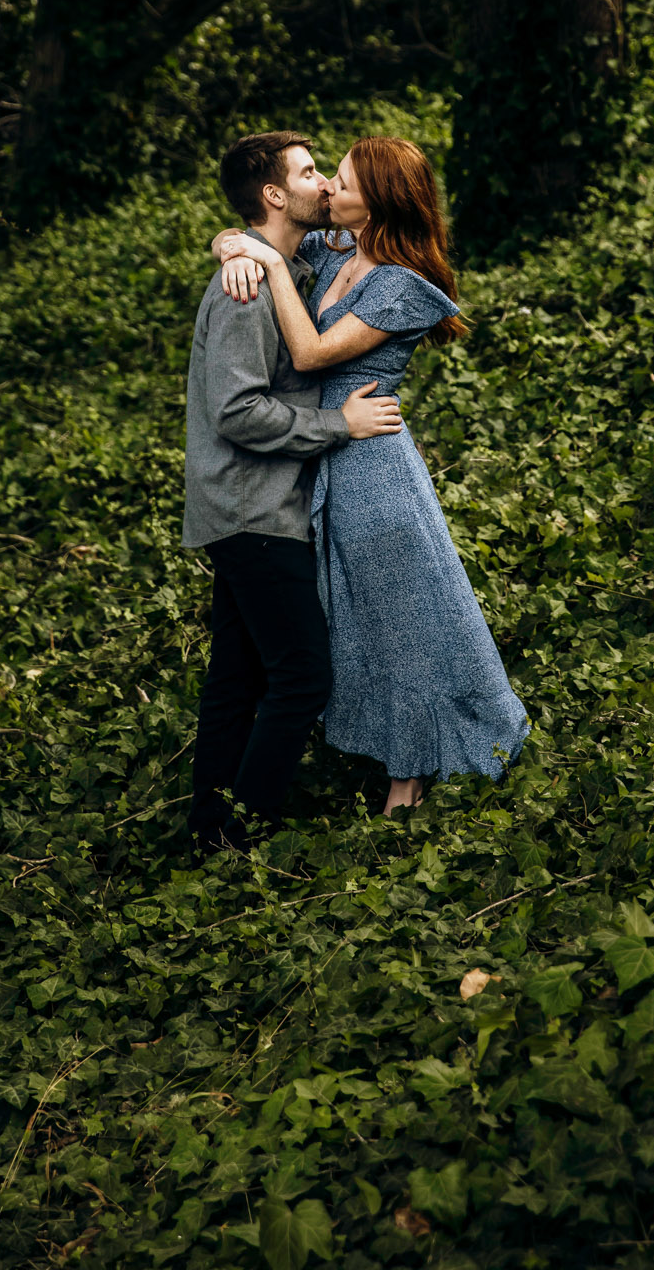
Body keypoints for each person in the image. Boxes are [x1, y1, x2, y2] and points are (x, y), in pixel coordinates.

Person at [213, 136, 528, 815]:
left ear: (376, 201)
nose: (328, 187)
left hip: (372, 466)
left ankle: (408, 780)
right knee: (351, 618)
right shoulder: (339, 254)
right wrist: (232, 242)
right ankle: (384, 748)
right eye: (327, 176)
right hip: (324, 455)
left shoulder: (404, 287)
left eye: (344, 182)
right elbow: (267, 228)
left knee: (403, 618)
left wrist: (262, 256)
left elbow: (312, 349)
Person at [184, 131, 403, 853]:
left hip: (250, 506)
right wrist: (335, 424)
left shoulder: (289, 260)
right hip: (254, 510)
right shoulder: (245, 290)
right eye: (310, 172)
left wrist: (232, 239)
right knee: (302, 678)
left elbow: (359, 235)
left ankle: (207, 832)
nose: (323, 184)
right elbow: (238, 410)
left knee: (236, 681)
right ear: (275, 194)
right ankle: (243, 837)